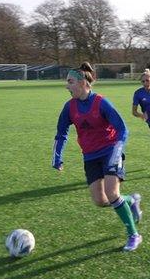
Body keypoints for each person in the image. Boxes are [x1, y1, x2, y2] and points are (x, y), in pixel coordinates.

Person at [52, 62, 143, 251]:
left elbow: (123, 130)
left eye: (70, 82)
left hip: (111, 151)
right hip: (90, 156)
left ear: (83, 83)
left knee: (112, 193)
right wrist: (57, 157)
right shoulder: (69, 107)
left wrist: (117, 151)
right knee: (100, 201)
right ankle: (131, 200)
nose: (66, 86)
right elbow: (61, 133)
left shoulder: (101, 102)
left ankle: (133, 234)